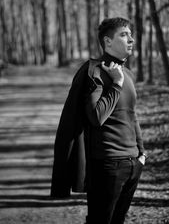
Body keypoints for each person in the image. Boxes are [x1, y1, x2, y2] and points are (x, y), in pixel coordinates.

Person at [50, 17, 147, 224]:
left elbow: (131, 114)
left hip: (133, 164)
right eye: (124, 34)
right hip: (108, 165)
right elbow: (96, 116)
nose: (131, 39)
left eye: (131, 34)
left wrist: (141, 153)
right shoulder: (95, 71)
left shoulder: (127, 73)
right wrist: (117, 84)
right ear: (107, 41)